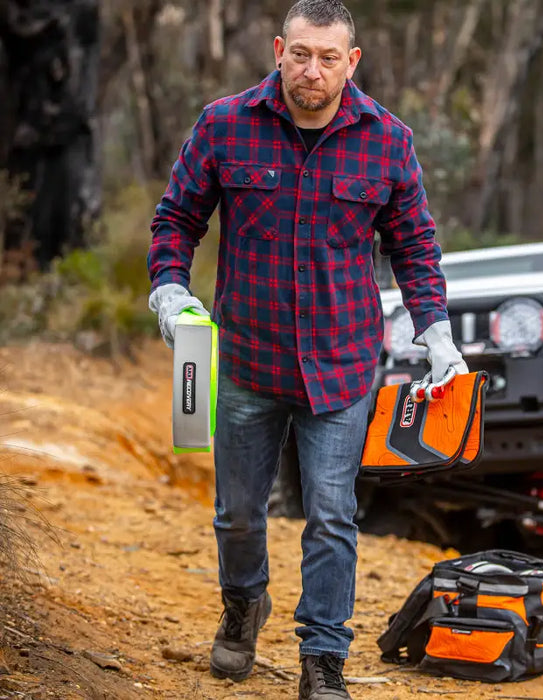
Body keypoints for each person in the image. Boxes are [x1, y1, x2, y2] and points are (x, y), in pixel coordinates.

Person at [147, 1, 467, 698]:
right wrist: (169, 290)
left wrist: (436, 331)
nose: (311, 71)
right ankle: (243, 605)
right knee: (237, 512)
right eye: (299, 54)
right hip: (248, 365)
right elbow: (177, 217)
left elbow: (414, 246)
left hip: (342, 367)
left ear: (351, 62)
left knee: (330, 514)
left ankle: (322, 657)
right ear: (278, 50)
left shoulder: (388, 141)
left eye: (328, 58)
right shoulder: (225, 125)